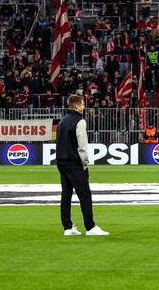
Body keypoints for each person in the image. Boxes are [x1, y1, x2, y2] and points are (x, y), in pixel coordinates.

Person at [56, 94, 109, 236]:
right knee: (85, 194)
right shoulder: (80, 121)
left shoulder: (61, 121)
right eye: (83, 104)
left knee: (66, 195)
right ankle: (90, 227)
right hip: (74, 163)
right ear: (76, 106)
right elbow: (82, 146)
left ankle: (68, 227)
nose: (84, 106)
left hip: (61, 162)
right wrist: (85, 163)